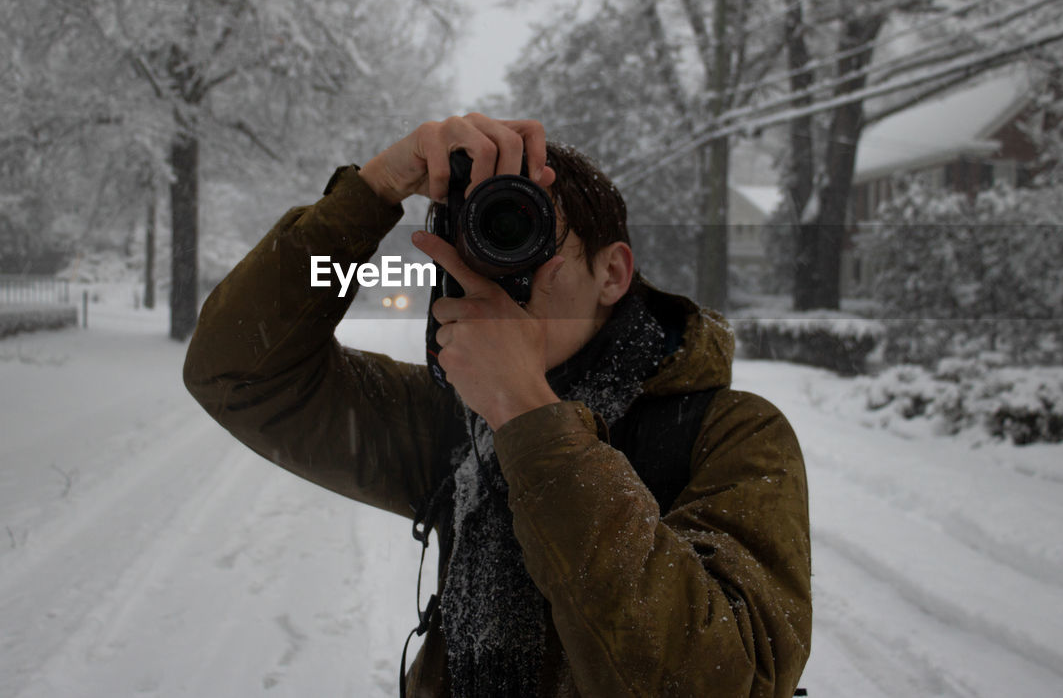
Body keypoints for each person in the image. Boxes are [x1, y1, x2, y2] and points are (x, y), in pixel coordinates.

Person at [183, 114, 811, 698]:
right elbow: (237, 372)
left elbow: (728, 679)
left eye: (527, 234)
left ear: (613, 273)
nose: (498, 266)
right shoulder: (453, 418)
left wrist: (527, 413)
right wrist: (373, 191)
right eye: (478, 237)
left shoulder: (731, 433)